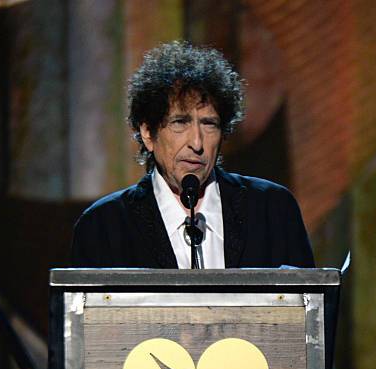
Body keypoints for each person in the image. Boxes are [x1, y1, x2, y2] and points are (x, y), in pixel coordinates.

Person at [71, 41, 314, 269]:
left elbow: (314, 308)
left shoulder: (271, 209)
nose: (197, 143)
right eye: (180, 122)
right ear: (148, 133)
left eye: (209, 124)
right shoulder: (104, 225)